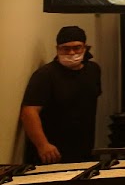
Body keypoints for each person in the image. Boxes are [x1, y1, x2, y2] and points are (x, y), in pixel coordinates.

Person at [20, 26, 102, 164]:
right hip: (51, 153)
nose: (71, 52)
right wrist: (43, 145)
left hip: (83, 149)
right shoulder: (45, 75)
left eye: (77, 48)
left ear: (85, 48)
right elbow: (29, 112)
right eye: (65, 48)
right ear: (57, 49)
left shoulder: (93, 70)